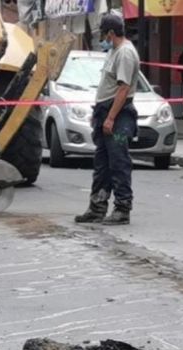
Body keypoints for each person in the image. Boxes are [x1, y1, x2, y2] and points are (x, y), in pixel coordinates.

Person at [74, 13, 139, 226]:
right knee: (102, 163)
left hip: (118, 113)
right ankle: (97, 207)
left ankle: (122, 208)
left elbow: (123, 88)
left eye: (104, 34)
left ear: (111, 33)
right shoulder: (114, 51)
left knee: (118, 161)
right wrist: (100, 112)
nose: (103, 39)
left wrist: (111, 117)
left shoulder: (125, 53)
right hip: (106, 111)